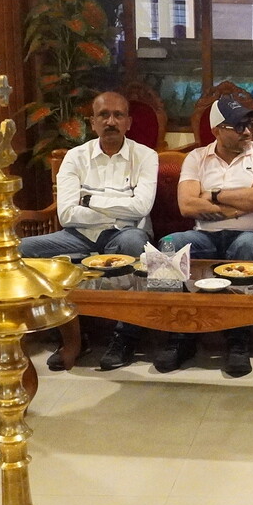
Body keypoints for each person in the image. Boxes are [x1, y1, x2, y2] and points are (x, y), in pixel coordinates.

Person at [18, 90, 158, 371]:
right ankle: (70, 335)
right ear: (92, 122)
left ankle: (125, 337)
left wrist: (90, 200)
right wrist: (120, 207)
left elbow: (141, 208)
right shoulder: (75, 157)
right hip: (78, 236)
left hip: (124, 236)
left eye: (118, 115)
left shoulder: (145, 156)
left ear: (128, 122)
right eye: (103, 115)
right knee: (23, 250)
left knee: (135, 242)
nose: (111, 122)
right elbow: (66, 214)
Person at [154, 95, 253, 378]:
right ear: (217, 130)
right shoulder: (197, 158)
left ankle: (238, 340)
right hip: (204, 236)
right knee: (169, 245)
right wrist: (238, 208)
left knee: (246, 246)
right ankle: (178, 335)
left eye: (250, 124)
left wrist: (212, 195)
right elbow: (187, 205)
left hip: (250, 234)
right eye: (238, 126)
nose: (247, 132)